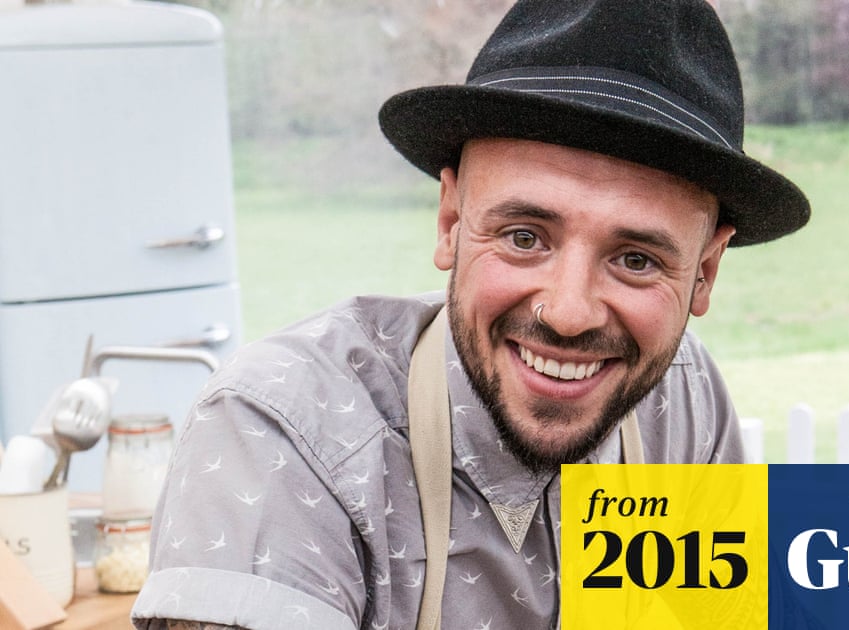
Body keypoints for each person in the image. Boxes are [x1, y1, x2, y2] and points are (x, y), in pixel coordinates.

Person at [131, 0, 809, 628]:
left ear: (705, 272)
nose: (569, 313)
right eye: (523, 237)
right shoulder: (281, 432)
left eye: (636, 260)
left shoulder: (683, 401)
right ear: (452, 219)